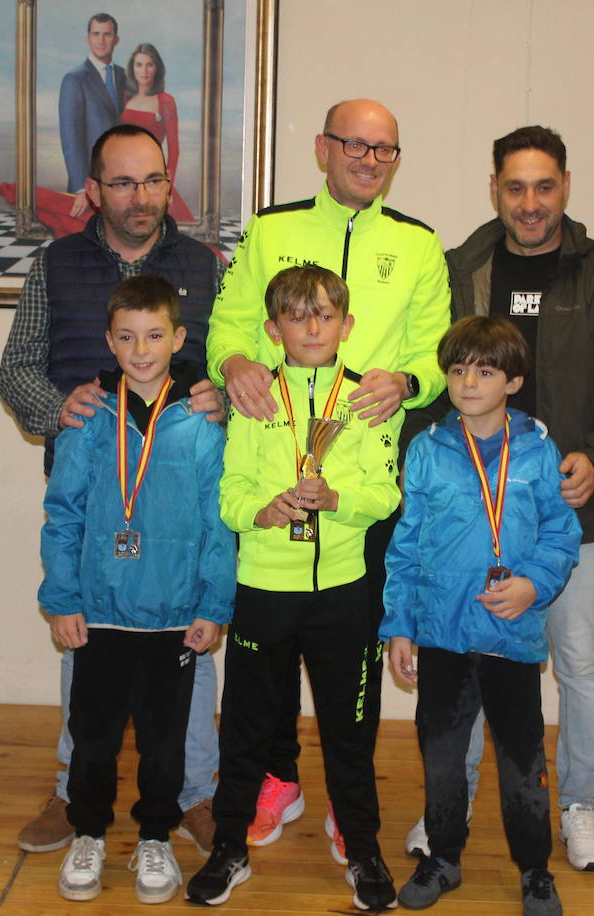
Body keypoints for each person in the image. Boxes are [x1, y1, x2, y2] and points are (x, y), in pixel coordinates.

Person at [408, 125, 594, 872]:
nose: (530, 203)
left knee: (577, 657)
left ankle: (580, 803)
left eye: (544, 187)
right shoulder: (458, 271)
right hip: (467, 521)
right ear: (494, 189)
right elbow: (429, 384)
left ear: (566, 187)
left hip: (567, 514)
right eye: (515, 188)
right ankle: (444, 809)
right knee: (461, 659)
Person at [205, 97, 450, 859]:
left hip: (357, 479)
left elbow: (436, 349)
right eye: (356, 145)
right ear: (323, 148)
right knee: (269, 643)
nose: (370, 160)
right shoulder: (273, 230)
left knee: (353, 648)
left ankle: (352, 799)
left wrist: (407, 383)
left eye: (386, 150)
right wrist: (234, 362)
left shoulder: (418, 244)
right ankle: (278, 778)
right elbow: (230, 322)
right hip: (272, 462)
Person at [0, 123, 226, 857]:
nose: (140, 196)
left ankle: (195, 795)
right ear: (93, 189)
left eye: (153, 179)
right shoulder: (55, 264)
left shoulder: (204, 265)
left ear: (169, 181)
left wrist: (220, 393)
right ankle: (75, 795)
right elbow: (17, 370)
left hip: (178, 508)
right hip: (95, 498)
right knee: (85, 658)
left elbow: (229, 360)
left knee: (186, 655)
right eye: (122, 182)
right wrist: (55, 408)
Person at [187, 265, 400, 910]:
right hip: (265, 587)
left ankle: (363, 850)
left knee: (348, 729)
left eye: (326, 315)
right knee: (247, 728)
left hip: (342, 589)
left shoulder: (365, 399)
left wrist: (336, 499)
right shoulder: (255, 401)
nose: (313, 327)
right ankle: (229, 847)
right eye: (297, 317)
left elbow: (385, 490)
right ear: (273, 329)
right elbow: (230, 495)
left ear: (348, 324)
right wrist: (264, 511)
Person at [41, 275, 234, 904]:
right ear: (109, 340)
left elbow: (217, 523)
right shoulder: (89, 416)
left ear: (178, 338)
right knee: (92, 734)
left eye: (155, 335)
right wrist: (62, 598)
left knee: (164, 741)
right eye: (127, 337)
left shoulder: (201, 423)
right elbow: (63, 512)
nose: (141, 348)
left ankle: (156, 836)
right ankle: (88, 834)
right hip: (100, 612)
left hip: (173, 617)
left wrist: (212, 606)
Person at [381, 316, 581, 916]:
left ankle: (536, 872)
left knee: (523, 760)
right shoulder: (426, 450)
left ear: (513, 381)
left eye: (485, 371)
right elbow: (406, 544)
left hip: (512, 637)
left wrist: (532, 585)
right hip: (442, 633)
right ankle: (443, 859)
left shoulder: (539, 450)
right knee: (441, 755)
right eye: (459, 369)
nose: (469, 382)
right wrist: (399, 625)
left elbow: (561, 534)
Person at [119, 42, 194, 223]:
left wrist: (166, 185)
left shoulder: (165, 101)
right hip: (121, 175)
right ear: (132, 69)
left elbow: (174, 149)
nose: (144, 71)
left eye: (149, 65)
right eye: (139, 65)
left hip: (151, 175)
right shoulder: (124, 97)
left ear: (157, 69)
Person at [59, 13, 127, 194]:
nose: (101, 40)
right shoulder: (75, 79)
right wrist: (81, 188)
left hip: (121, 180)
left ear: (116, 40)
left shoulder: (123, 76)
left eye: (107, 34)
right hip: (90, 184)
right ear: (88, 39)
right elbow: (70, 139)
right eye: (96, 34)